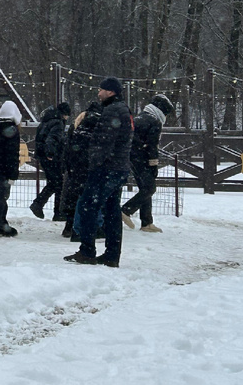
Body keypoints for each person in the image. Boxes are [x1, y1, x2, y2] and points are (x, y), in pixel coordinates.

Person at [65, 77, 133, 267]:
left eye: (101, 90)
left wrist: (94, 163)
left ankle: (87, 251)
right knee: (112, 211)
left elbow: (103, 143)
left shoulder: (111, 111)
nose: (99, 93)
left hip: (106, 169)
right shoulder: (123, 109)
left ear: (110, 92)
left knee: (88, 206)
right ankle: (112, 254)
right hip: (119, 167)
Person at [121, 94, 174, 233]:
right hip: (142, 158)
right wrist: (153, 164)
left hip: (131, 157)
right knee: (149, 189)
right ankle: (126, 210)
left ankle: (147, 221)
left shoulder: (140, 118)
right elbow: (152, 145)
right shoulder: (155, 122)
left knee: (144, 189)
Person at [60, 102, 102, 239]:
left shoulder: (76, 125)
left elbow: (67, 147)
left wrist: (68, 164)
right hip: (87, 167)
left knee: (73, 195)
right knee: (87, 198)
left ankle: (70, 226)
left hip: (74, 167)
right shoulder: (97, 126)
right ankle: (84, 228)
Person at [0, 100, 23, 236]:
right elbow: (12, 153)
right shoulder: (11, 130)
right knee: (2, 196)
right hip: (5, 169)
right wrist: (13, 173)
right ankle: (1, 223)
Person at [31, 101, 71, 220]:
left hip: (42, 155)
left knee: (55, 182)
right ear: (65, 114)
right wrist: (51, 153)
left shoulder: (47, 120)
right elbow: (52, 139)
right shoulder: (58, 123)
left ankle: (43, 206)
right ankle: (54, 210)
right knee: (58, 183)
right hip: (52, 157)